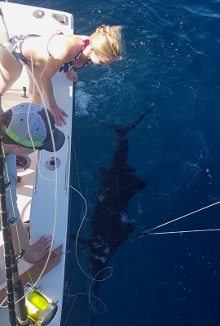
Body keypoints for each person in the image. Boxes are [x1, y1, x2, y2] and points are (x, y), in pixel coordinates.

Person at [0, 25, 123, 126]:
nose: (103, 66)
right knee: (2, 89)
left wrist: (68, 70)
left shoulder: (89, 44)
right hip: (16, 52)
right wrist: (53, 107)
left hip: (37, 59)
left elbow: (68, 56)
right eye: (102, 62)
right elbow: (45, 77)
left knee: (37, 95)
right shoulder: (67, 50)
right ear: (93, 49)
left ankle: (30, 124)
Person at [0, 102, 65, 263]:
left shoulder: (5, 117)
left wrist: (10, 153)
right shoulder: (5, 182)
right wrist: (31, 255)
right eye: (37, 147)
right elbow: (12, 227)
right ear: (18, 148)